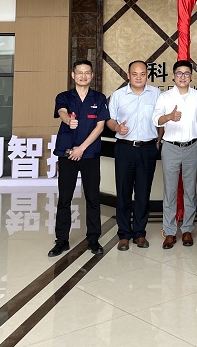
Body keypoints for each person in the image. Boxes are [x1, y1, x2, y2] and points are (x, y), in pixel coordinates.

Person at [48, 59, 109, 257]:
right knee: (65, 197)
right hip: (67, 153)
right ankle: (61, 240)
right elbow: (61, 111)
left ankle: (93, 239)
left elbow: (100, 126)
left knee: (92, 197)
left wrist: (81, 149)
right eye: (80, 72)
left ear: (92, 76)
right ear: (73, 75)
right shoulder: (64, 96)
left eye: (87, 72)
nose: (83, 76)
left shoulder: (99, 98)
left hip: (89, 154)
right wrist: (68, 120)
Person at [107, 60, 160, 251]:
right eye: (134, 74)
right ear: (128, 75)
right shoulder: (118, 95)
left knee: (143, 193)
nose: (139, 77)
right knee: (123, 192)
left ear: (147, 75)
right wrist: (117, 127)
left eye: (142, 74)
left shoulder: (156, 94)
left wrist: (158, 140)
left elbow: (161, 120)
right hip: (125, 148)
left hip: (147, 149)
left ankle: (139, 233)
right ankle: (123, 234)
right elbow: (110, 119)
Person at [153, 60, 197, 249]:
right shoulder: (165, 97)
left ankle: (187, 229)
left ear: (191, 76)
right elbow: (156, 119)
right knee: (170, 191)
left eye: (186, 73)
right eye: (179, 73)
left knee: (190, 190)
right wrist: (169, 117)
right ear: (173, 76)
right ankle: (169, 231)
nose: (183, 77)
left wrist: (192, 132)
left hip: (192, 146)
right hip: (171, 147)